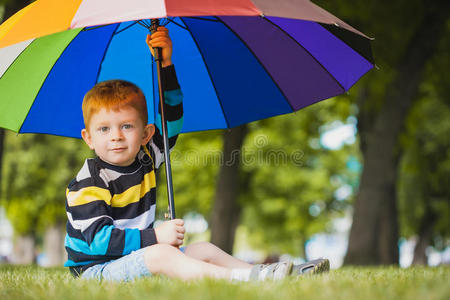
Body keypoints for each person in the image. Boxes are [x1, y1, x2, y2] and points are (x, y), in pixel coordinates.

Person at [64, 26, 329, 282]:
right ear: (88, 138)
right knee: (162, 254)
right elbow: (100, 240)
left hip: (140, 256)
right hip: (97, 270)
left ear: (145, 134)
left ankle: (274, 274)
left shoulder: (147, 157)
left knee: (204, 249)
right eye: (104, 129)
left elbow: (172, 118)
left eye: (126, 126)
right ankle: (244, 279)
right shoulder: (89, 181)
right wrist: (156, 236)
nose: (116, 136)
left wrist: (165, 65)